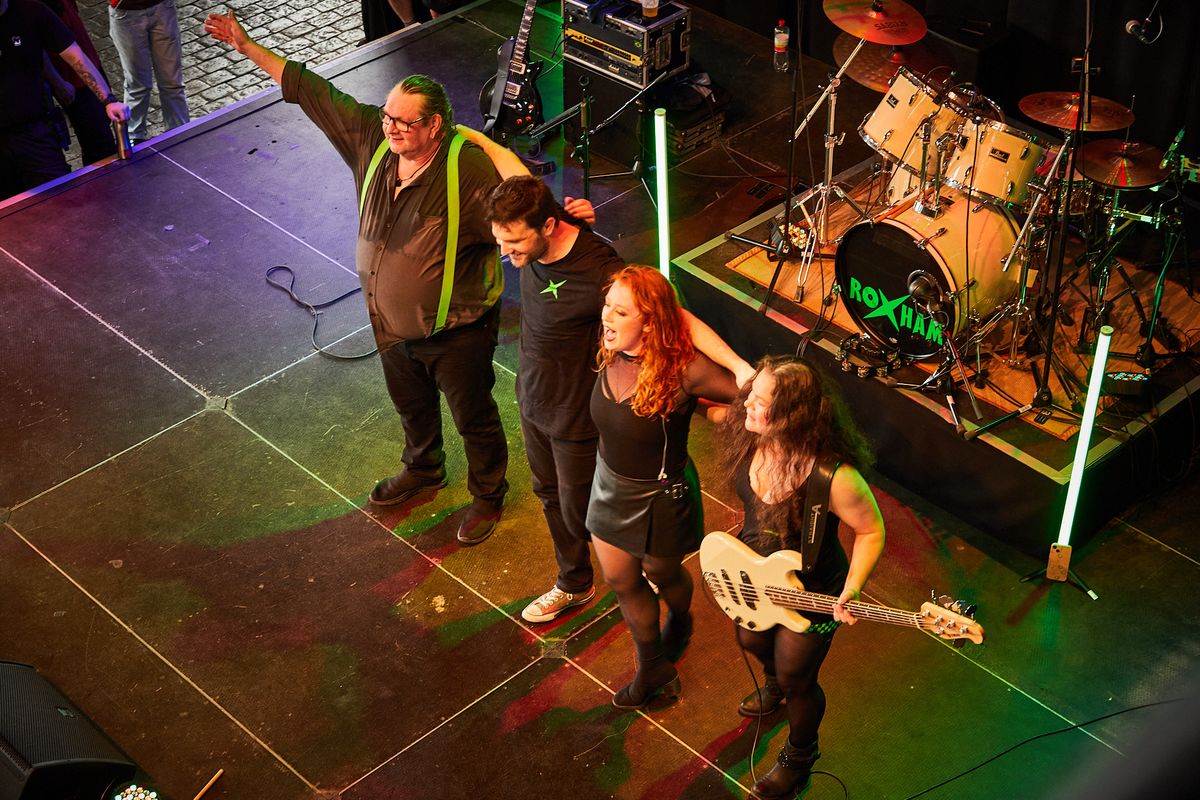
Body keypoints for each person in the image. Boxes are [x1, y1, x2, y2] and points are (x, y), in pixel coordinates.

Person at [204, 11, 508, 545]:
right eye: (389, 115)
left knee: (474, 418)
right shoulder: (373, 137)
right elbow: (312, 90)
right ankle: (424, 468)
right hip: (390, 322)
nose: (391, 125)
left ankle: (488, 496)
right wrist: (246, 45)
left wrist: (561, 223)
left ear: (435, 126)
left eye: (405, 121)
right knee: (411, 406)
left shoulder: (468, 170)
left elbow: (520, 214)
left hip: (457, 329)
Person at [469, 156, 753, 625]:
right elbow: (517, 177)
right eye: (502, 242)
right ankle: (574, 583)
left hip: (577, 416)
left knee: (584, 512)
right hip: (534, 400)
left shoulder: (601, 267)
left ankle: (643, 575)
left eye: (514, 243)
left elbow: (672, 314)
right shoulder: (536, 224)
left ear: (549, 226)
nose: (506, 254)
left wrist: (739, 367)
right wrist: (474, 137)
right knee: (548, 496)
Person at [717, 355, 885, 799]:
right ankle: (772, 686)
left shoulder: (833, 477)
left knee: (798, 677)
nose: (746, 403)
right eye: (751, 393)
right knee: (752, 640)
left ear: (791, 416)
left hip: (813, 589)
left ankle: (800, 754)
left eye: (760, 399)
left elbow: (870, 530)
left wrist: (852, 590)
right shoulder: (751, 440)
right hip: (758, 576)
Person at [587, 265, 740, 709]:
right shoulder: (611, 346)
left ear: (650, 321)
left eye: (621, 311)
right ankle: (652, 665)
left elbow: (750, 394)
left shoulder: (686, 369)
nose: (607, 318)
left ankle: (681, 617)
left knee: (662, 574)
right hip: (608, 484)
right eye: (607, 306)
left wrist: (722, 403)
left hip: (660, 498)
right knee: (620, 578)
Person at [1, 0, 129, 200]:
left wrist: (108, 100)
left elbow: (75, 56)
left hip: (35, 133)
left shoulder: (31, 11)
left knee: (57, 201)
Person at [40, 0, 118, 164]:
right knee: (98, 141)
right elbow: (38, 48)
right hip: (71, 79)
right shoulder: (32, 7)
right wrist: (58, 82)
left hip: (89, 65)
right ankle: (103, 186)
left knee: (101, 130)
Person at [108, 0, 190, 144]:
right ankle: (134, 137)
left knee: (172, 81)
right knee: (137, 83)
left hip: (161, 6)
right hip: (125, 12)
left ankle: (181, 133)